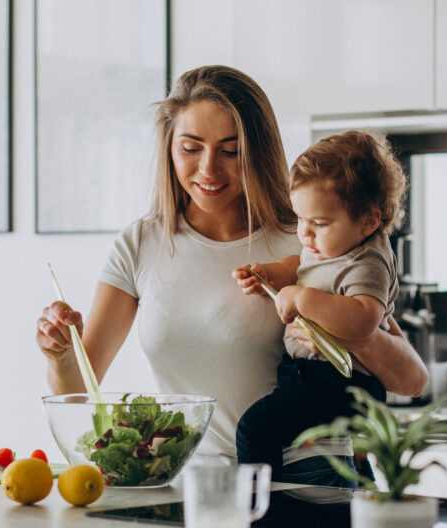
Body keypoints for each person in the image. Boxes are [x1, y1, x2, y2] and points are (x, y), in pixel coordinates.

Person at [35, 65, 427, 474]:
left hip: (310, 480)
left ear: (257, 150)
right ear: (170, 147)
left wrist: (331, 325)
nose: (208, 168)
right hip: (190, 484)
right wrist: (61, 354)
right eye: (191, 148)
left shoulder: (311, 236)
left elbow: (411, 380)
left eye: (230, 150)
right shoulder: (140, 244)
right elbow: (82, 390)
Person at [232, 130, 406, 482]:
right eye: (301, 220)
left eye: (319, 223)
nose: (306, 234)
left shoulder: (368, 260)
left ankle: (259, 512)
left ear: (369, 220)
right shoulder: (334, 245)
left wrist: (302, 298)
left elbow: (365, 318)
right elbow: (302, 265)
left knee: (255, 429)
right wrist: (271, 273)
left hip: (338, 382)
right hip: (309, 375)